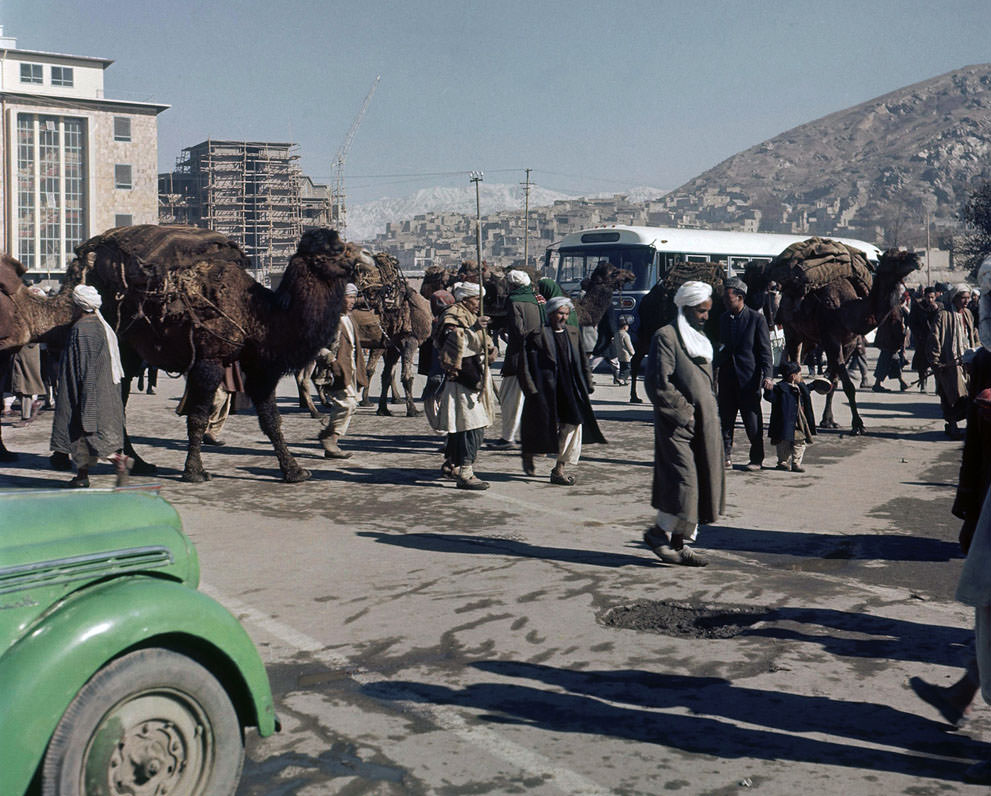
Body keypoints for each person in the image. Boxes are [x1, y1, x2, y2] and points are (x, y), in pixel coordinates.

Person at [642, 280, 724, 567]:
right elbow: (657, 383)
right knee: (684, 483)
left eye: (707, 310)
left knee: (699, 483)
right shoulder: (666, 336)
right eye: (701, 311)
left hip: (703, 426)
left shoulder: (699, 338)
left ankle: (679, 545)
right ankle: (656, 534)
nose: (706, 316)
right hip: (678, 426)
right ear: (687, 308)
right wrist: (685, 413)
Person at [518, 295, 605, 485]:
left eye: (566, 314)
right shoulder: (536, 335)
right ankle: (530, 453)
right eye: (559, 313)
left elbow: (582, 361)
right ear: (550, 314)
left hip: (570, 388)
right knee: (542, 427)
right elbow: (525, 365)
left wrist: (587, 383)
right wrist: (531, 390)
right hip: (545, 390)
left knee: (573, 424)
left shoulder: (573, 333)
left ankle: (559, 468)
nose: (563, 317)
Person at [50, 285, 128, 488]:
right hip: (92, 391)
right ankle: (82, 476)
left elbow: (86, 370)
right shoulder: (98, 325)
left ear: (78, 306)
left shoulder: (82, 330)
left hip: (86, 393)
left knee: (89, 435)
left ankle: (119, 462)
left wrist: (87, 404)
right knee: (80, 439)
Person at [431, 281, 495, 490]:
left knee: (463, 427)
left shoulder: (470, 315)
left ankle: (452, 464)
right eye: (477, 299)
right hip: (462, 379)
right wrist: (476, 329)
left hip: (476, 376)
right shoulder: (452, 317)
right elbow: (453, 345)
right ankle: (466, 472)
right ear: (465, 299)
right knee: (471, 427)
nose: (479, 304)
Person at [714, 277, 773, 471]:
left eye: (728, 298)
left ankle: (757, 459)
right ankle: (725, 457)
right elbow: (721, 348)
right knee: (725, 421)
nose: (725, 302)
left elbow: (765, 351)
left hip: (748, 379)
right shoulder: (723, 319)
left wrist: (768, 375)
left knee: (752, 422)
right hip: (726, 378)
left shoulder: (757, 319)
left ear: (740, 298)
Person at [488, 269, 544, 450]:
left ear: (512, 285)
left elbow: (519, 331)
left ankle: (507, 438)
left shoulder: (514, 301)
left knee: (510, 398)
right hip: (539, 354)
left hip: (519, 357)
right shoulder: (539, 299)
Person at [315, 283, 368, 459]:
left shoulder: (349, 318)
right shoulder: (328, 319)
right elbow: (314, 345)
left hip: (351, 370)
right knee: (347, 404)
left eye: (354, 297)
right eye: (349, 297)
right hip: (336, 371)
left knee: (353, 404)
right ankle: (330, 437)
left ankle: (331, 438)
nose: (352, 301)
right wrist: (331, 360)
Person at [928, 283, 978, 438]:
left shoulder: (968, 314)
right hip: (949, 362)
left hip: (967, 361)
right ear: (955, 298)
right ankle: (952, 425)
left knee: (970, 394)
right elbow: (934, 338)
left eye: (968, 298)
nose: (966, 301)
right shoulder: (943, 315)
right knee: (950, 395)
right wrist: (936, 361)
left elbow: (973, 335)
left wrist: (977, 351)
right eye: (963, 298)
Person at [765, 360, 817, 473]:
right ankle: (782, 462)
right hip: (784, 422)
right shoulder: (780, 389)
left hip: (798, 422)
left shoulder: (801, 387)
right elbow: (770, 397)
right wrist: (768, 390)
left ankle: (796, 463)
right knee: (783, 443)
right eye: (799, 374)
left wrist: (815, 385)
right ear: (793, 376)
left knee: (799, 442)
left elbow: (807, 390)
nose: (800, 377)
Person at [871, 297, 910, 392]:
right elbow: (895, 327)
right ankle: (878, 384)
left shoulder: (892, 308)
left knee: (893, 361)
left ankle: (901, 382)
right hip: (890, 342)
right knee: (886, 362)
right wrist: (900, 339)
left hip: (887, 341)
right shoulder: (895, 311)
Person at [909, 287, 942, 393]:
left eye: (932, 297)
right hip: (922, 339)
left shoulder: (940, 307)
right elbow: (912, 322)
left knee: (937, 364)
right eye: (928, 297)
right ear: (924, 296)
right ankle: (923, 384)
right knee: (922, 365)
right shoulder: (917, 307)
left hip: (936, 340)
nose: (930, 300)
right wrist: (918, 335)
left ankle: (939, 386)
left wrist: (936, 310)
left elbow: (942, 322)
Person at [614, 318, 635, 384]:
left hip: (619, 354)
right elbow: (629, 345)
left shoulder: (616, 334)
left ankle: (621, 380)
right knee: (627, 368)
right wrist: (633, 352)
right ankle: (622, 380)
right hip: (626, 354)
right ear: (625, 327)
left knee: (622, 368)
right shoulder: (625, 335)